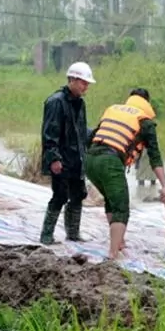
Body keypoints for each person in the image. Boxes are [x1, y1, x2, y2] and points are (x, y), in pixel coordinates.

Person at [85, 88, 165, 258]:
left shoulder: (114, 111)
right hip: (110, 162)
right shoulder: (145, 122)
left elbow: (92, 136)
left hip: (89, 161)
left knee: (111, 200)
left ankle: (120, 242)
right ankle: (113, 253)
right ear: (147, 103)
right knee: (122, 208)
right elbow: (155, 156)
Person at [39, 62, 94, 244]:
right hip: (61, 158)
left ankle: (73, 233)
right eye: (82, 82)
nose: (85, 86)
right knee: (60, 195)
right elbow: (50, 134)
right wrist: (53, 158)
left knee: (78, 194)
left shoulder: (80, 103)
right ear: (72, 80)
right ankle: (46, 235)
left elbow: (80, 130)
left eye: (87, 83)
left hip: (76, 158)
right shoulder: (56, 102)